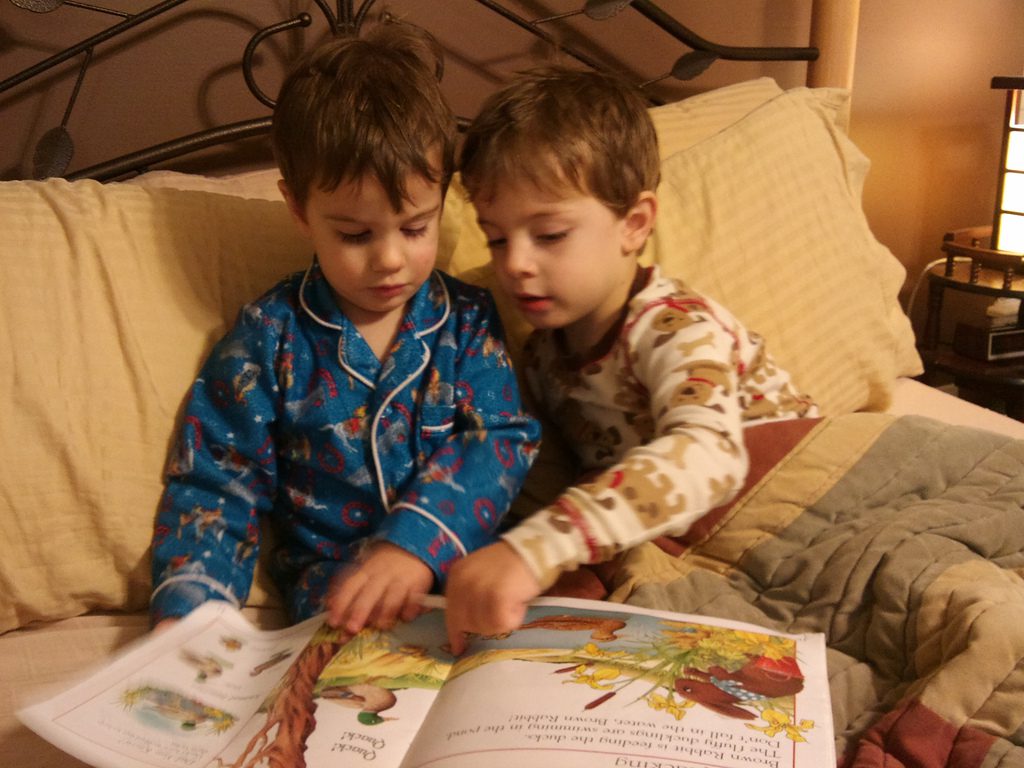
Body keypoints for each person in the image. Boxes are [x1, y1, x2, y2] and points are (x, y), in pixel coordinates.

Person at [149, 23, 540, 636]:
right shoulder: (268, 338)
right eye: (356, 234)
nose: (389, 259)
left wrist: (412, 543)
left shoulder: (467, 322)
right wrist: (188, 622)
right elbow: (217, 484)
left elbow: (500, 441)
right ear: (299, 209)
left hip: (470, 583)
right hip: (339, 606)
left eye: (415, 228)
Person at [444, 65, 817, 653]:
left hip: (787, 490)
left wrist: (538, 547)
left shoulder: (675, 325)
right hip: (681, 535)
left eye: (549, 234)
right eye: (496, 237)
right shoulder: (541, 354)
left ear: (634, 224)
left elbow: (709, 456)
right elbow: (554, 480)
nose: (512, 263)